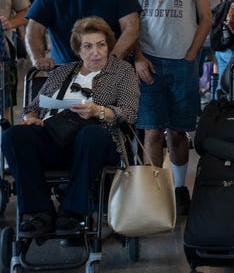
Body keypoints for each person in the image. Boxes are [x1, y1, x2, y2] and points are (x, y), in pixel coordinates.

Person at [1, 16, 139, 236]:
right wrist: (31, 118)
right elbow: (33, 106)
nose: (96, 52)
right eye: (88, 46)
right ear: (78, 50)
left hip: (97, 141)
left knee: (90, 134)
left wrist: (99, 111)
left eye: (101, 45)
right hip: (54, 135)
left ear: (108, 46)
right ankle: (40, 212)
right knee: (13, 136)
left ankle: (72, 212)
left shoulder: (122, 72)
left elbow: (130, 113)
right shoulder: (63, 72)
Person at [125, 0, 212, 216]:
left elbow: (206, 18)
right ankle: (154, 192)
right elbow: (128, 21)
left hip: (181, 62)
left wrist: (190, 56)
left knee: (177, 131)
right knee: (151, 130)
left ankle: (178, 187)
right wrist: (137, 57)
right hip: (147, 61)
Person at [0, 0, 30, 120]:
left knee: (5, 105)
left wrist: (10, 23)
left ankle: (4, 140)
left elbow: (26, 11)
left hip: (3, 49)